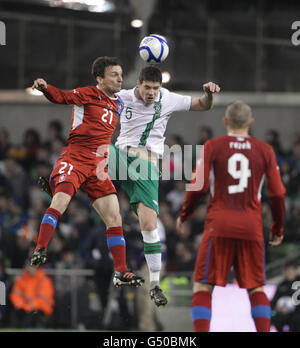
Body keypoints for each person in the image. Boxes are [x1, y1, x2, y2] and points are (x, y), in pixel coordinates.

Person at [108, 66, 220, 306]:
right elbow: (93, 98)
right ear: (138, 83)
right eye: (147, 87)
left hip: (146, 165)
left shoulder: (168, 99)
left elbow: (203, 104)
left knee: (148, 225)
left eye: (155, 88)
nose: (151, 93)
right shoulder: (123, 96)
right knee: (91, 150)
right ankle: (60, 185)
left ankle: (156, 285)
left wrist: (209, 94)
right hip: (120, 156)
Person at [30, 56, 143, 287]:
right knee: (60, 202)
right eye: (114, 75)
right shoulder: (87, 93)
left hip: (98, 166)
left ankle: (121, 271)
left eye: (121, 74)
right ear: (100, 78)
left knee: (114, 217)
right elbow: (61, 96)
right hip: (76, 157)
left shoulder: (119, 103)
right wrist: (45, 88)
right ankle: (40, 247)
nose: (120, 78)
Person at [176, 101, 286, 332]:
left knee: (203, 287)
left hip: (219, 225)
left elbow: (198, 186)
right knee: (256, 288)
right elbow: (277, 192)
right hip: (252, 227)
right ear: (251, 123)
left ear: (225, 121)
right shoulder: (265, 150)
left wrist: (185, 214)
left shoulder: (213, 146)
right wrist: (277, 226)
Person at [10, 261, 55, 328]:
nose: (30, 269)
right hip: (25, 307)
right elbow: (15, 295)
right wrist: (21, 305)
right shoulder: (21, 279)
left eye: (32, 266)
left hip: (41, 308)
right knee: (15, 313)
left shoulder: (44, 280)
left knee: (31, 316)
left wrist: (29, 306)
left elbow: (42, 299)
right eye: (29, 266)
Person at [271, 260, 300, 332]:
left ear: (295, 270)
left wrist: (293, 307)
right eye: (287, 271)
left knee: (296, 319)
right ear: (284, 271)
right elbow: (274, 301)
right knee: (274, 317)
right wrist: (277, 308)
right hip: (283, 312)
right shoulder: (281, 285)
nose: (289, 273)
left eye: (291, 270)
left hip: (297, 312)